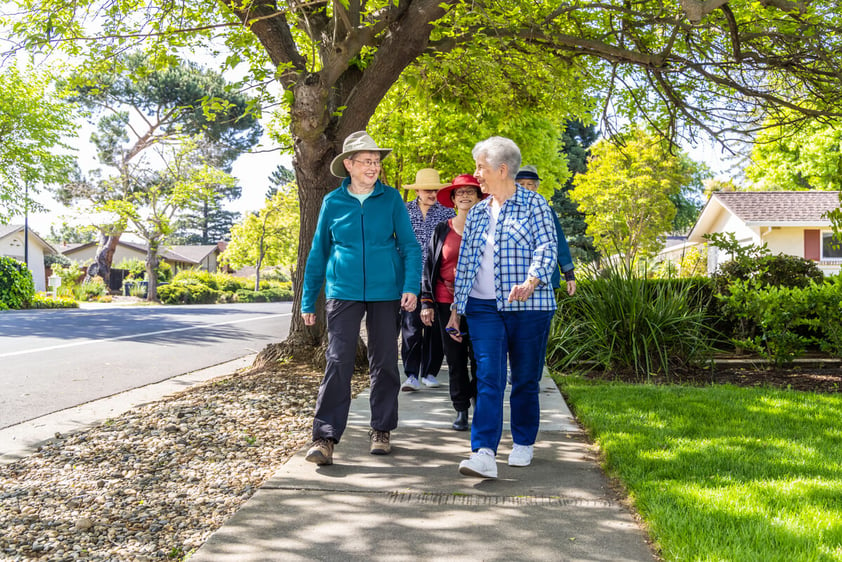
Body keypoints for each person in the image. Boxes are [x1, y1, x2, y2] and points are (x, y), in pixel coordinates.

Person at [300, 131, 421, 466]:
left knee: (383, 362)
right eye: (367, 161)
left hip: (386, 292)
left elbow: (410, 246)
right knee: (338, 360)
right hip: (343, 292)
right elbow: (317, 253)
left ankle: (381, 429)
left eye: (377, 161)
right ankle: (324, 437)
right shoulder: (332, 202)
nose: (374, 166)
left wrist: (411, 286)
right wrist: (308, 301)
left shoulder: (392, 199)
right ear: (349, 165)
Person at [447, 137, 558, 479]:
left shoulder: (535, 205)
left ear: (502, 169)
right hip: (483, 308)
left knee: (525, 378)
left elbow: (547, 246)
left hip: (529, 306)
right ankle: (483, 452)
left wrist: (532, 280)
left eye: (481, 167)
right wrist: (456, 309)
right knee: (488, 378)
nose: (476, 174)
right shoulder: (478, 212)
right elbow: (466, 262)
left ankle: (523, 441)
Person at [419, 174, 487, 431]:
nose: (466, 196)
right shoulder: (442, 229)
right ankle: (461, 410)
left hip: (480, 301)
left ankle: (480, 403)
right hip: (446, 303)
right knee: (455, 359)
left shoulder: (487, 227)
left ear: (480, 197)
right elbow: (429, 267)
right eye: (460, 193)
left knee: (481, 358)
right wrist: (427, 302)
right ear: (454, 199)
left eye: (471, 191)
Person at [400, 168, 456, 391]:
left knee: (434, 329)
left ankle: (430, 372)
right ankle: (411, 374)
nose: (432, 194)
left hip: (436, 279)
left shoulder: (447, 214)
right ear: (418, 191)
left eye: (435, 190)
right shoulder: (404, 212)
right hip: (411, 278)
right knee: (411, 326)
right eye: (427, 190)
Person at [515, 165, 576, 297]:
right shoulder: (507, 210)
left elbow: (559, 241)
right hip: (516, 277)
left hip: (545, 278)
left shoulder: (546, 210)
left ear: (536, 187)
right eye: (521, 184)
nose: (525, 187)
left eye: (529, 184)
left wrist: (569, 275)